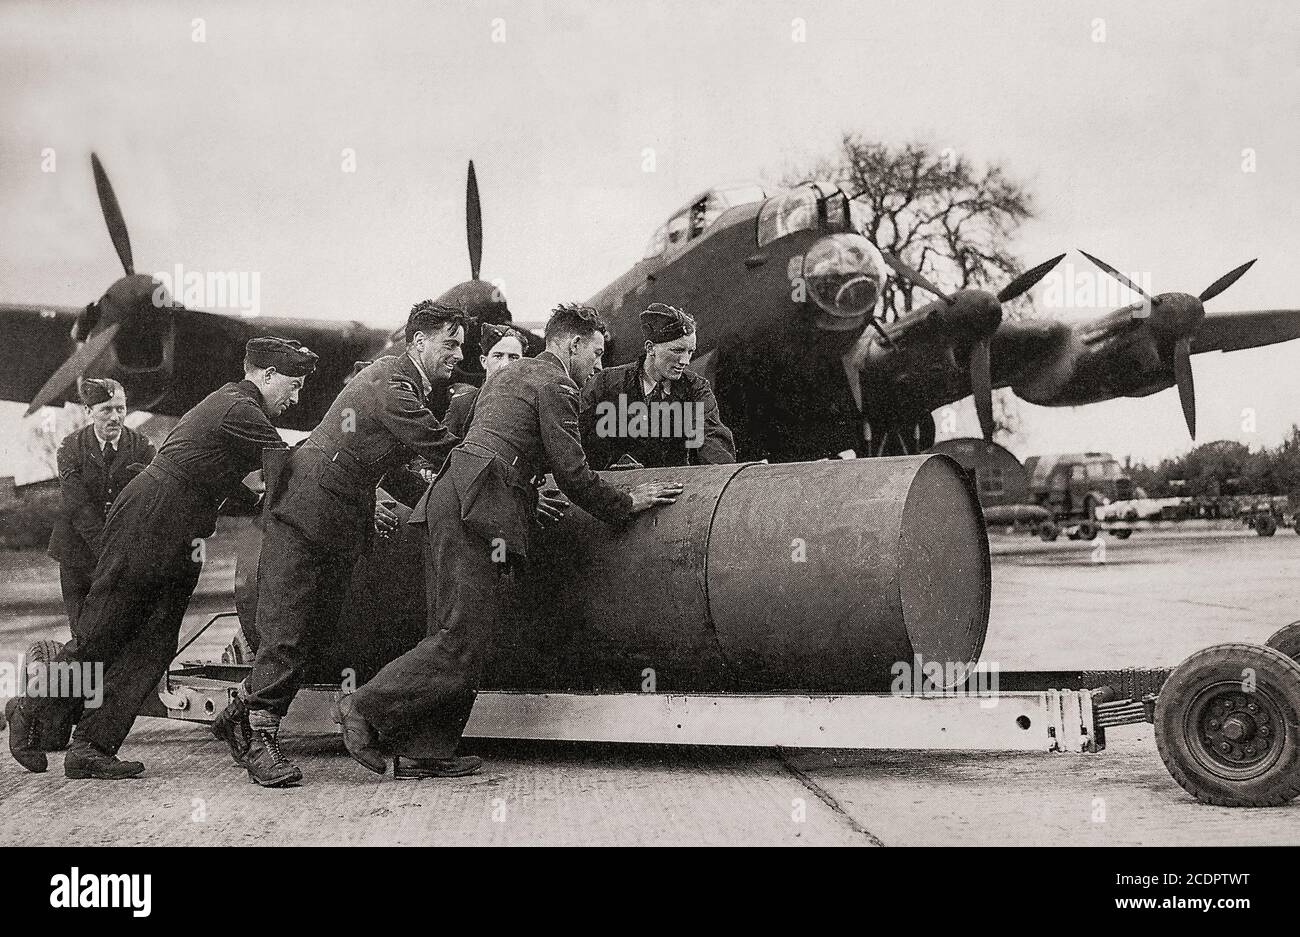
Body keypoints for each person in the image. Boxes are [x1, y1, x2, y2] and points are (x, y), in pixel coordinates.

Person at [339, 303, 683, 780]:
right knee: (462, 638)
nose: (598, 368)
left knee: (454, 632)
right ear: (570, 345)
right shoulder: (557, 384)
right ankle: (363, 707)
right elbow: (572, 472)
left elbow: (508, 441)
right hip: (479, 510)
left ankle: (428, 748)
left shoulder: (510, 374)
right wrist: (626, 504)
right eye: (596, 354)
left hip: (451, 498)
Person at [8, 337, 315, 779]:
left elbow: (229, 482)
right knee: (102, 634)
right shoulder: (238, 407)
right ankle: (29, 709)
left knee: (154, 645)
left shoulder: (235, 410)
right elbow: (288, 465)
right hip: (149, 519)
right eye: (293, 384)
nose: (296, 397)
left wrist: (265, 502)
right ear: (266, 376)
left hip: (179, 531)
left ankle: (91, 747)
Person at [215, 301, 469, 787]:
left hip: (330, 521)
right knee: (289, 629)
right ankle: (261, 739)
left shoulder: (398, 382)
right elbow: (439, 446)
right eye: (449, 343)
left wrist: (435, 506)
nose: (458, 354)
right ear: (418, 342)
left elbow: (392, 467)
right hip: (305, 516)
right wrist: (503, 476)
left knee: (312, 629)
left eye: (459, 344)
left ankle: (241, 716)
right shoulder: (392, 384)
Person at [47, 379, 155, 640]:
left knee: (126, 632)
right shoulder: (69, 448)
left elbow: (151, 500)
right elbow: (79, 507)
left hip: (125, 555)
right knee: (84, 634)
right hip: (77, 554)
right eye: (106, 410)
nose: (115, 417)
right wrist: (107, 552)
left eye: (121, 408)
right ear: (88, 411)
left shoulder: (143, 447)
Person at [579, 303, 735, 469]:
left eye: (690, 351)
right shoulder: (606, 383)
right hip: (615, 488)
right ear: (650, 348)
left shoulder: (696, 388)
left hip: (673, 485)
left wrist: (724, 475)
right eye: (677, 350)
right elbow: (575, 433)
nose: (685, 361)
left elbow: (711, 437)